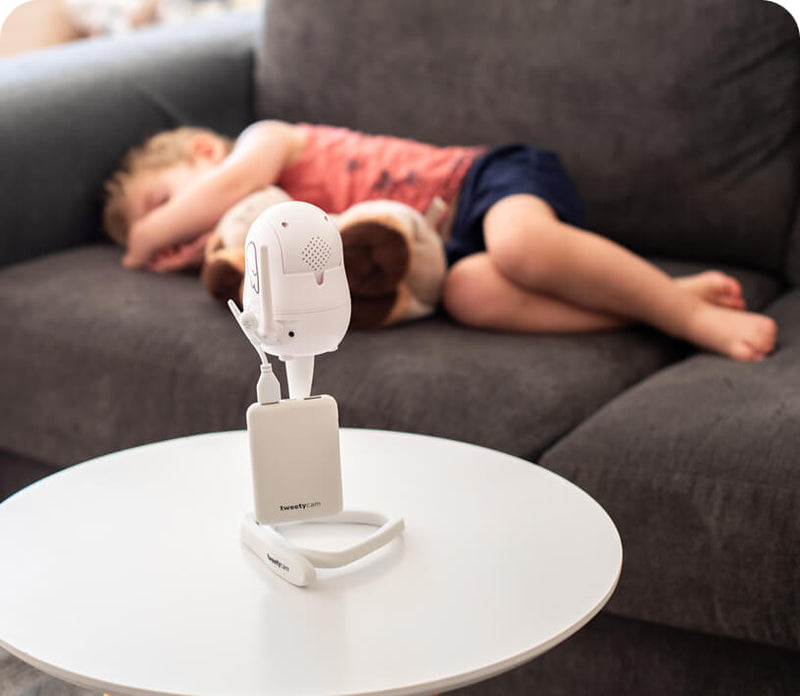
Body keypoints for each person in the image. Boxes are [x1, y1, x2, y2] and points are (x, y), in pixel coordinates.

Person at [103, 119, 778, 361]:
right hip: (447, 253)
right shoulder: (259, 229)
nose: (169, 233)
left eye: (164, 201)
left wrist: (145, 240)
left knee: (520, 246)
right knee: (471, 295)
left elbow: (229, 185)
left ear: (201, 151)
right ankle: (653, 301)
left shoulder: (264, 140)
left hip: (482, 181)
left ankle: (685, 316)